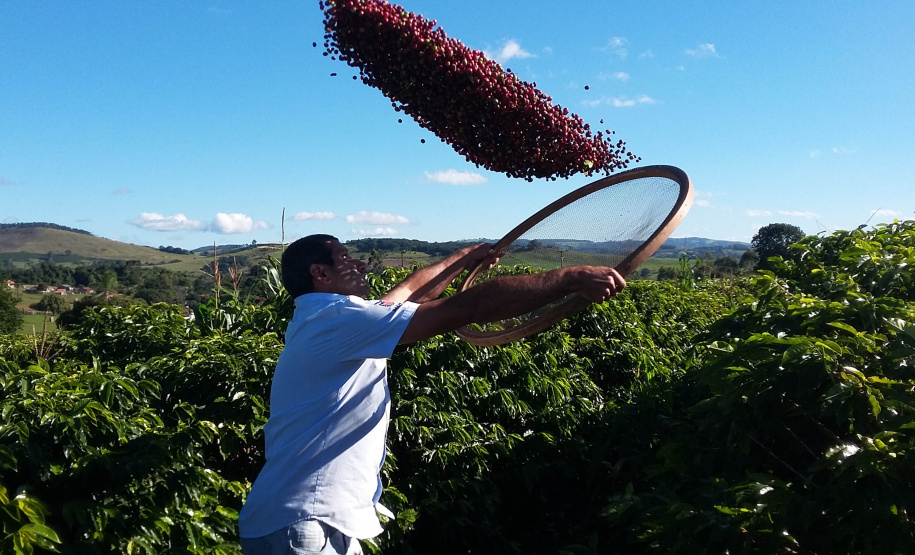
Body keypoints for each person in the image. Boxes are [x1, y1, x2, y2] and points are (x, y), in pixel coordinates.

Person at [238, 234, 625, 554]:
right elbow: (468, 306)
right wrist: (571, 277)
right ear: (320, 273)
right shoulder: (338, 319)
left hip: (292, 520)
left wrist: (463, 258)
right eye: (345, 257)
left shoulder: (324, 320)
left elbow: (407, 293)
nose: (361, 264)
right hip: (307, 524)